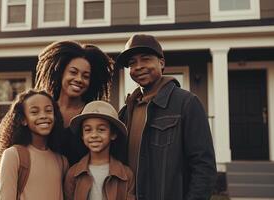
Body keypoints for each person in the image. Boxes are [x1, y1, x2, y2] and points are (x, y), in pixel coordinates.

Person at [116, 34, 217, 200]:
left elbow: (204, 168)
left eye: (145, 59)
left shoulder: (187, 103)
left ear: (161, 63)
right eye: (132, 63)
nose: (138, 67)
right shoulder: (126, 112)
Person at [34, 41, 114, 165]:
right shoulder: (43, 111)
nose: (79, 79)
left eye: (85, 76)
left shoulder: (93, 114)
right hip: (46, 182)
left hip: (82, 183)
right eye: (73, 72)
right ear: (61, 72)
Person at [0, 89, 68, 200]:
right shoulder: (13, 155)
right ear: (23, 119)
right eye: (34, 112)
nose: (43, 116)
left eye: (48, 111)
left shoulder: (62, 161)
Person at [64, 101, 135, 200]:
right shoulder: (73, 174)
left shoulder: (126, 175)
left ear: (113, 134)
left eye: (101, 129)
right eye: (88, 130)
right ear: (82, 135)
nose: (94, 135)